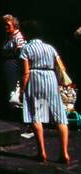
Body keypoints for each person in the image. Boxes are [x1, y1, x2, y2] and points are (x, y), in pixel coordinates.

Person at [18, 23, 72, 165]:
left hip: (35, 79)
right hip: (51, 79)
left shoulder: (26, 49)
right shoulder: (50, 48)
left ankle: (42, 152)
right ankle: (64, 153)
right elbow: (61, 67)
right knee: (60, 115)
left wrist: (22, 90)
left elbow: (25, 72)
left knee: (37, 115)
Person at [0, 13, 27, 115]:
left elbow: (22, 53)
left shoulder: (18, 37)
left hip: (15, 66)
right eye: (4, 25)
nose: (5, 27)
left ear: (14, 25)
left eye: (8, 25)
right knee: (10, 89)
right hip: (8, 66)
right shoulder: (9, 37)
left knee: (14, 91)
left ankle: (17, 113)